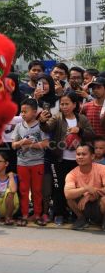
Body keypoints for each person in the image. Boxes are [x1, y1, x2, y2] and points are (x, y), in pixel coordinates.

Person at [39, 92, 95, 225]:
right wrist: (42, 121)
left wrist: (79, 131)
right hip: (59, 159)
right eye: (62, 104)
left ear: (74, 104)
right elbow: (47, 127)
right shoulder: (57, 117)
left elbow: (91, 134)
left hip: (78, 161)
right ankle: (59, 214)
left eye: (67, 104)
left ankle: (76, 214)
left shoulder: (81, 119)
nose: (64, 106)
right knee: (59, 187)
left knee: (77, 188)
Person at [12, 98, 49, 226]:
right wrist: (21, 143)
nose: (22, 114)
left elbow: (46, 143)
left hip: (37, 162)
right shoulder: (18, 126)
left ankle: (37, 214)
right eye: (21, 112)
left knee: (37, 190)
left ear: (34, 112)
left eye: (25, 111)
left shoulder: (40, 126)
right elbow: (13, 145)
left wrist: (31, 145)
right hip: (22, 163)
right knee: (23, 189)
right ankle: (24, 215)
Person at [64, 144, 105, 231]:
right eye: (78, 154)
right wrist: (85, 189)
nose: (80, 157)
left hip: (99, 203)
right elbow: (67, 194)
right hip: (83, 205)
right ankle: (82, 218)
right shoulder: (72, 174)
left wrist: (90, 195)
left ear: (92, 156)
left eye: (84, 154)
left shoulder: (102, 169)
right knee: (70, 199)